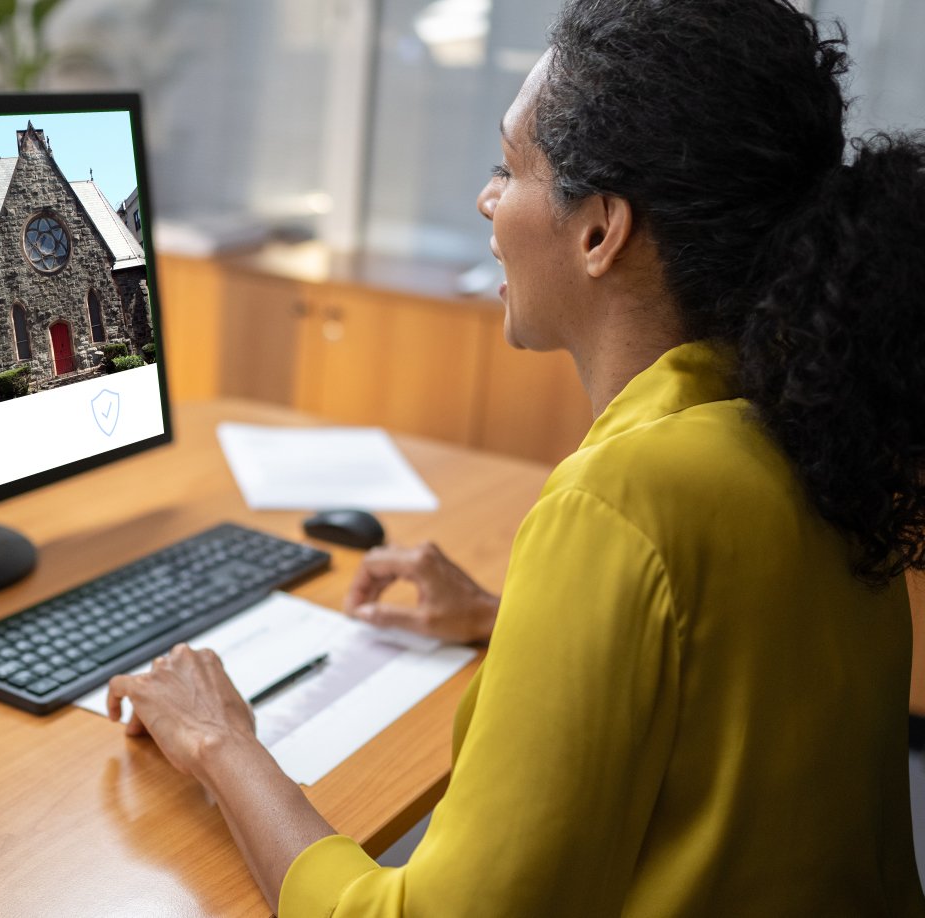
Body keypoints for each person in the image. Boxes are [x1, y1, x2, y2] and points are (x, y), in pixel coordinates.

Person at [107, 0, 925, 912]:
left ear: (599, 230)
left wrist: (222, 742)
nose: (487, 199)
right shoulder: (798, 422)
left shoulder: (624, 501)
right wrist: (516, 620)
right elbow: (737, 670)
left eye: (510, 167)